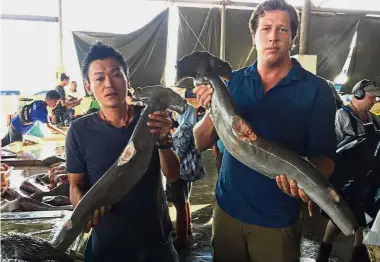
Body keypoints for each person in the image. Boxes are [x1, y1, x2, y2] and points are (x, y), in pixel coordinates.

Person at [192, 0, 337, 261]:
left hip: (277, 219)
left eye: (282, 30)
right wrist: (213, 107)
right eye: (266, 28)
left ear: (292, 37)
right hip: (226, 211)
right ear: (254, 36)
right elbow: (200, 141)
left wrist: (306, 183)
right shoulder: (231, 82)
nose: (273, 37)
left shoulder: (317, 90)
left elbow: (325, 158)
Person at [65, 41, 179, 262]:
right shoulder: (79, 132)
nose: (109, 84)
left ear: (128, 79)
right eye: (99, 78)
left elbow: (174, 176)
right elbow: (75, 186)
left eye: (116, 75)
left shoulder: (151, 120)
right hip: (108, 246)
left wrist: (165, 141)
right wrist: (84, 208)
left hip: (157, 242)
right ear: (88, 87)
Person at [317, 79, 380, 262]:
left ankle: (358, 252)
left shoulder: (374, 119)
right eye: (371, 97)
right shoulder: (341, 116)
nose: (374, 101)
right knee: (340, 215)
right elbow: (331, 147)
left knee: (364, 215)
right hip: (346, 177)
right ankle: (325, 248)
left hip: (367, 177)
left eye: (376, 98)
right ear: (358, 94)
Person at [166, 103, 199, 249]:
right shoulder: (189, 128)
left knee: (179, 204)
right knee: (184, 200)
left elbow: (177, 154)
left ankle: (181, 238)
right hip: (187, 169)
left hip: (180, 171)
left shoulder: (184, 131)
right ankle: (187, 228)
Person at [1, 90, 66, 147]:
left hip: (14, 123)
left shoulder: (38, 102)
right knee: (17, 153)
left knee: (3, 143)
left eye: (57, 103)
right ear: (48, 99)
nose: (56, 104)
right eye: (55, 101)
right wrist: (65, 134)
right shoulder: (42, 110)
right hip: (18, 130)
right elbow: (49, 127)